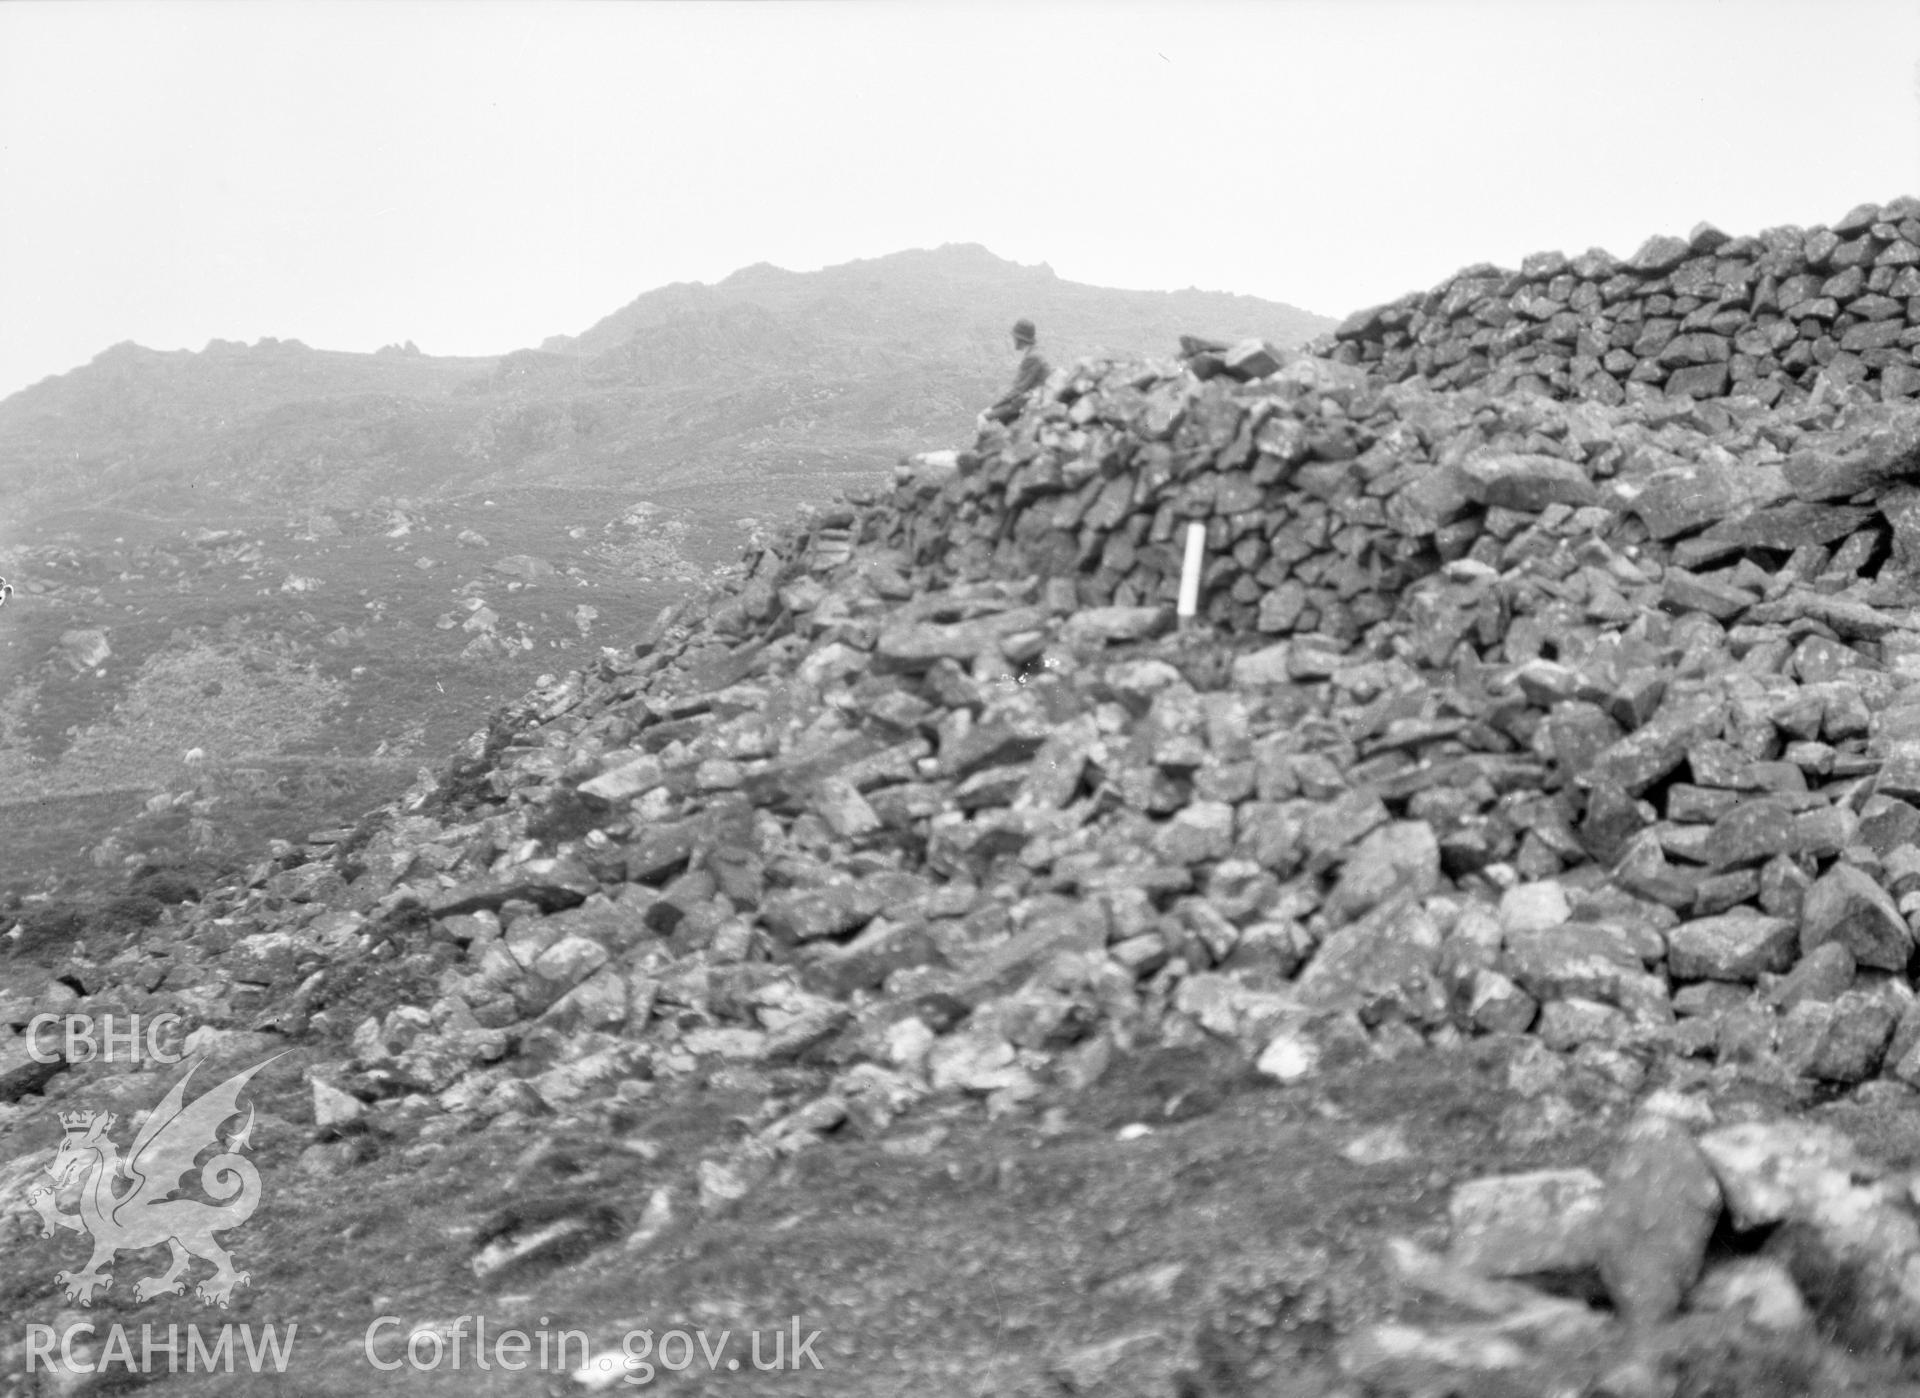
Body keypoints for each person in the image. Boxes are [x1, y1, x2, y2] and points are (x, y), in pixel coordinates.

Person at [979, 318, 1051, 429]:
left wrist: (993, 407)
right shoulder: (1035, 352)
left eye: (1014, 337)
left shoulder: (1032, 357)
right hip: (1033, 399)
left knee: (983, 418)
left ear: (1020, 338)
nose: (1013, 340)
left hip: (1031, 401)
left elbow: (1018, 389)